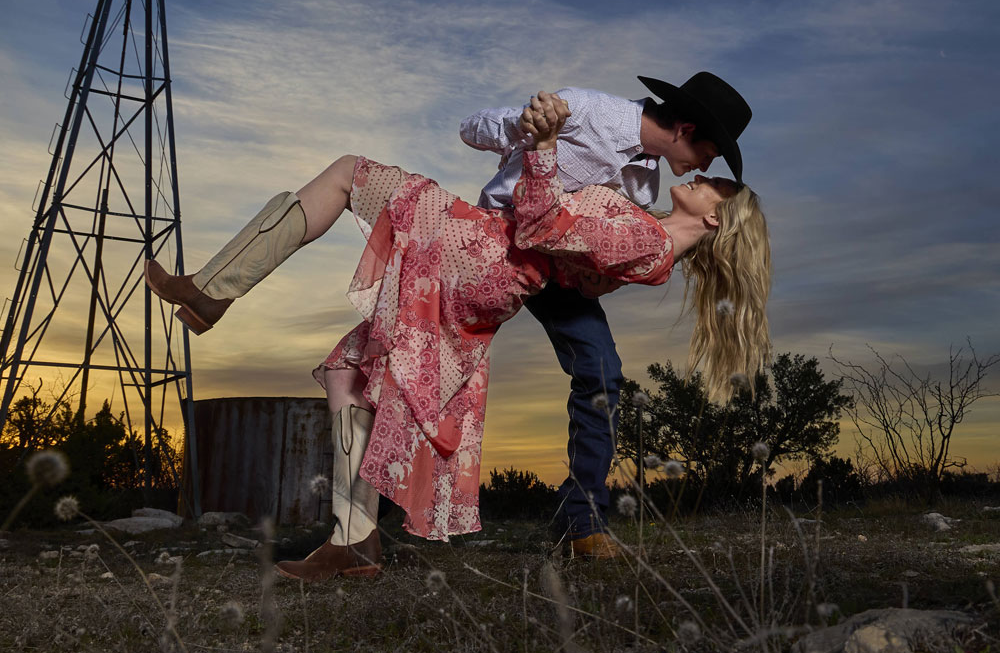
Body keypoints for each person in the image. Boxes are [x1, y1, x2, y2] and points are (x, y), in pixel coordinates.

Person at [144, 91, 770, 582]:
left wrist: (546, 146)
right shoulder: (649, 231)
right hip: (488, 267)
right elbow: (575, 260)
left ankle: (213, 291)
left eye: (714, 183)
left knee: (346, 174)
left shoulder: (645, 236)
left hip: (483, 252)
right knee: (348, 372)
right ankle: (353, 538)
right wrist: (535, 155)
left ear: (714, 217)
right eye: (711, 165)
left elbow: (543, 223)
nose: (703, 175)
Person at [460, 73, 753, 556]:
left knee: (601, 375)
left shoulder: (645, 184)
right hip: (503, 241)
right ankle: (383, 509)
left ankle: (581, 522)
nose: (707, 163)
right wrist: (531, 128)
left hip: (555, 266)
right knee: (439, 362)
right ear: (685, 128)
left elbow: (600, 253)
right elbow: (472, 129)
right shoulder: (585, 110)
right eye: (710, 151)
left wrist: (645, 262)